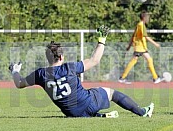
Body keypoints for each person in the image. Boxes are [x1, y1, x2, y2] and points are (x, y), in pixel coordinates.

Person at [9, 25, 154, 118]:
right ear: (61, 56)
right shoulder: (69, 67)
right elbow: (95, 60)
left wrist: (15, 71)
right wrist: (101, 40)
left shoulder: (40, 74)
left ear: (48, 58)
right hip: (88, 103)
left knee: (81, 100)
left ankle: (100, 116)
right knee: (111, 93)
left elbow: (19, 83)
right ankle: (142, 112)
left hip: (71, 113)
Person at [119, 11, 162, 84]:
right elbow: (146, 37)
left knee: (147, 60)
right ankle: (122, 77)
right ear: (144, 18)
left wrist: (129, 46)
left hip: (140, 47)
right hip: (140, 47)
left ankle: (155, 78)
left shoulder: (139, 25)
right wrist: (155, 44)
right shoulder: (141, 25)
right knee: (137, 60)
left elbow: (133, 35)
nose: (148, 19)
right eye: (147, 17)